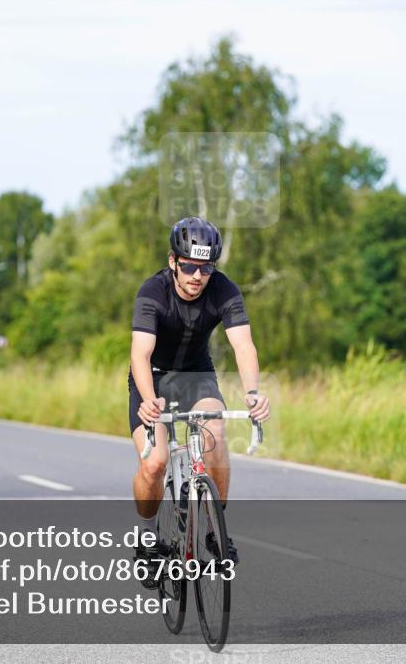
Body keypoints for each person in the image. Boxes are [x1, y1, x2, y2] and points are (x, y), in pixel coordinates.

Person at [129, 216, 270, 564]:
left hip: (197, 374)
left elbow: (243, 346)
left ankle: (214, 528)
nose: (197, 277)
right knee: (155, 462)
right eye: (190, 266)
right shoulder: (152, 292)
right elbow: (140, 354)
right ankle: (147, 538)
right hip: (154, 377)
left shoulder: (224, 289)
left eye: (206, 269)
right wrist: (148, 401)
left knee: (216, 435)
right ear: (173, 261)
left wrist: (252, 393)